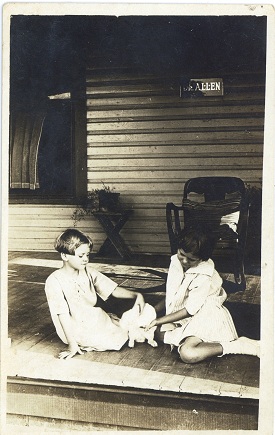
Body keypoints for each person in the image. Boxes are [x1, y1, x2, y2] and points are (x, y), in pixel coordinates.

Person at [146, 226, 260, 363]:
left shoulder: (204, 275)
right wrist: (152, 311)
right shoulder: (176, 262)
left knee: (188, 354)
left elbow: (190, 310)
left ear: (202, 259)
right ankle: (187, 337)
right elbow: (174, 294)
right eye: (182, 254)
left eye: (191, 259)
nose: (185, 261)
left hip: (206, 315)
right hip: (186, 316)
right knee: (156, 333)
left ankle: (237, 345)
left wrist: (158, 319)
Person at [45, 228, 145, 359]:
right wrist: (72, 344)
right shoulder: (54, 280)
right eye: (80, 256)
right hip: (73, 327)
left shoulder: (88, 271)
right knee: (121, 336)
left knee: (127, 330)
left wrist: (137, 295)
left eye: (87, 255)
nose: (86, 259)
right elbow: (61, 314)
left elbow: (112, 290)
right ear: (64, 256)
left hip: (94, 318)